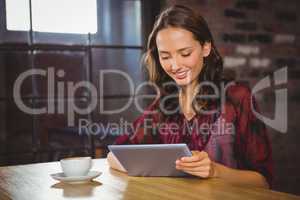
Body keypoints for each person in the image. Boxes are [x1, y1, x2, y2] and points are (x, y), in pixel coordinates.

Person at [107, 5, 272, 188]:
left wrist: (215, 172)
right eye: (165, 56)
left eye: (185, 53)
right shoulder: (162, 106)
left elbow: (263, 182)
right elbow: (114, 156)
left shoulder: (237, 98)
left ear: (206, 47)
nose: (175, 65)